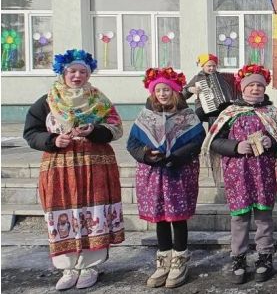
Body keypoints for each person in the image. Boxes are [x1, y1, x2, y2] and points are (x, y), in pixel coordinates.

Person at [23, 49, 125, 290]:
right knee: (62, 212)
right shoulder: (47, 101)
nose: (77, 76)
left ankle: (90, 265)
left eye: (82, 72)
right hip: (60, 167)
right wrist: (52, 140)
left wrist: (94, 131)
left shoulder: (99, 100)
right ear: (62, 72)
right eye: (72, 71)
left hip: (95, 165)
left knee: (94, 210)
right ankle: (67, 267)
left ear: (88, 74)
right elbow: (31, 132)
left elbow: (116, 127)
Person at [200, 64, 277, 285]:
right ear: (242, 88)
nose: (255, 89)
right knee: (239, 218)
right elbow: (214, 141)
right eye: (251, 85)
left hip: (264, 174)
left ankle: (265, 257)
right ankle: (239, 259)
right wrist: (235, 146)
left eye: (259, 86)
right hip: (238, 174)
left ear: (264, 88)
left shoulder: (272, 113)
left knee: (264, 218)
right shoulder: (229, 113)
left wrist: (271, 142)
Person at [127, 67, 206, 288]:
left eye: (167, 90)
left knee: (178, 218)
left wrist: (179, 156)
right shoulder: (145, 116)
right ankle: (163, 261)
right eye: (158, 90)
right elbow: (132, 144)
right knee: (160, 218)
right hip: (153, 173)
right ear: (153, 93)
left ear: (175, 92)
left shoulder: (187, 116)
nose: (162, 94)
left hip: (179, 172)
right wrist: (146, 154)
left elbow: (198, 141)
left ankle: (180, 260)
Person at [182, 53, 235, 125]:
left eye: (214, 66)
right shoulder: (197, 78)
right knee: (197, 115)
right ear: (203, 66)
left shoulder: (222, 77)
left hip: (221, 107)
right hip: (203, 106)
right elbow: (183, 95)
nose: (212, 68)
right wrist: (190, 89)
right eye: (209, 66)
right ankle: (198, 131)